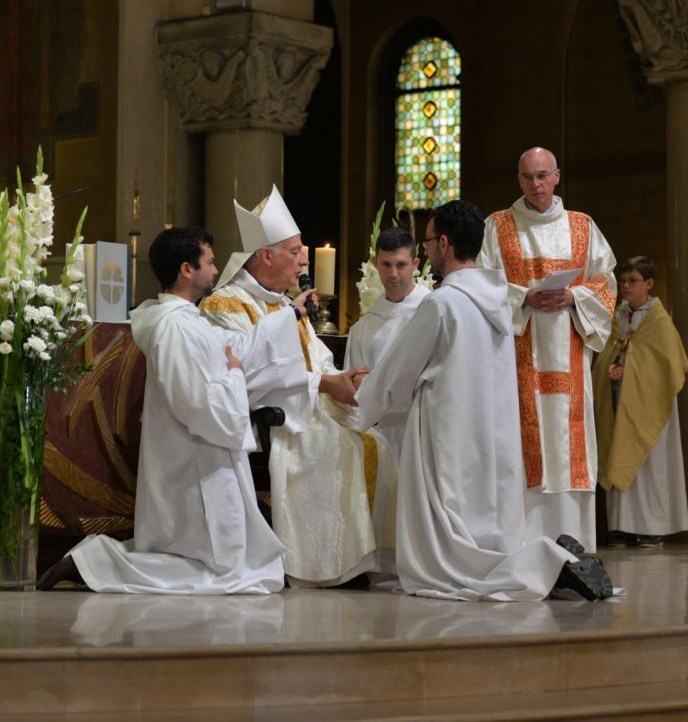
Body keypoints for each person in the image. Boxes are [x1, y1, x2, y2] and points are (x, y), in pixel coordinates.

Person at [354, 200, 610, 601]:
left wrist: (358, 399)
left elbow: (396, 376)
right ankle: (550, 560)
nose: (425, 253)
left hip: (448, 440)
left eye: (426, 244)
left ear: (444, 243)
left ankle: (550, 561)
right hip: (491, 445)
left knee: (447, 561)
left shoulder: (442, 303)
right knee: (486, 533)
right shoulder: (500, 304)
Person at [36, 227, 309, 593]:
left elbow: (236, 348)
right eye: (209, 262)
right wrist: (233, 378)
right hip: (196, 463)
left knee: (236, 565)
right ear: (186, 269)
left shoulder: (187, 320)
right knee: (222, 571)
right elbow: (199, 404)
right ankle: (92, 564)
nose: (216, 271)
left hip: (201, 456)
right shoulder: (175, 328)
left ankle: (96, 563)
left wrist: (288, 315)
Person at [202, 186, 398, 587]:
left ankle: (362, 560)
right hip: (277, 421)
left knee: (377, 443)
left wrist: (344, 379)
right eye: (295, 251)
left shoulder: (283, 302)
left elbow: (317, 357)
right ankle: (327, 568)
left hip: (312, 407)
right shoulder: (225, 305)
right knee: (339, 446)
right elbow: (248, 376)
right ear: (267, 255)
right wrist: (326, 384)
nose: (305, 259)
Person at [477, 147, 616, 552]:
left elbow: (605, 284)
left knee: (567, 450)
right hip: (517, 364)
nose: (535, 185)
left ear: (557, 177)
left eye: (542, 176)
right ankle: (523, 553)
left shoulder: (583, 227)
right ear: (518, 180)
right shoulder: (497, 227)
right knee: (524, 455)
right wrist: (525, 298)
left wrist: (573, 298)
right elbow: (483, 287)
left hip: (569, 358)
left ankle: (575, 555)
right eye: (527, 177)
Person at [593, 256, 688, 548]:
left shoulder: (659, 321)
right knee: (616, 454)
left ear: (649, 283)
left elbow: (666, 365)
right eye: (623, 281)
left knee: (649, 464)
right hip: (618, 401)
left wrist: (631, 369)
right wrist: (610, 367)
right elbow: (608, 352)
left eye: (632, 281)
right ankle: (621, 526)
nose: (625, 286)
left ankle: (650, 527)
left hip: (650, 406)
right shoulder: (618, 316)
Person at [344, 226, 431, 462]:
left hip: (423, 432)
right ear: (375, 263)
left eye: (401, 265)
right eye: (386, 264)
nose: (393, 274)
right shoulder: (363, 329)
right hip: (378, 435)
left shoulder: (432, 312)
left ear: (415, 264)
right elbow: (354, 388)